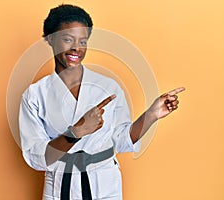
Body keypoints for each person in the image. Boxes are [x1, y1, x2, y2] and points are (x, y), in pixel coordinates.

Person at [19, 4, 185, 200]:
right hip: (60, 185)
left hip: (104, 182)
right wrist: (77, 131)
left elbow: (122, 140)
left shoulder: (108, 87)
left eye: (83, 41)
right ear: (50, 39)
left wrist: (152, 115)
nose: (76, 48)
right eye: (67, 39)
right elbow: (37, 158)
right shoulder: (35, 95)